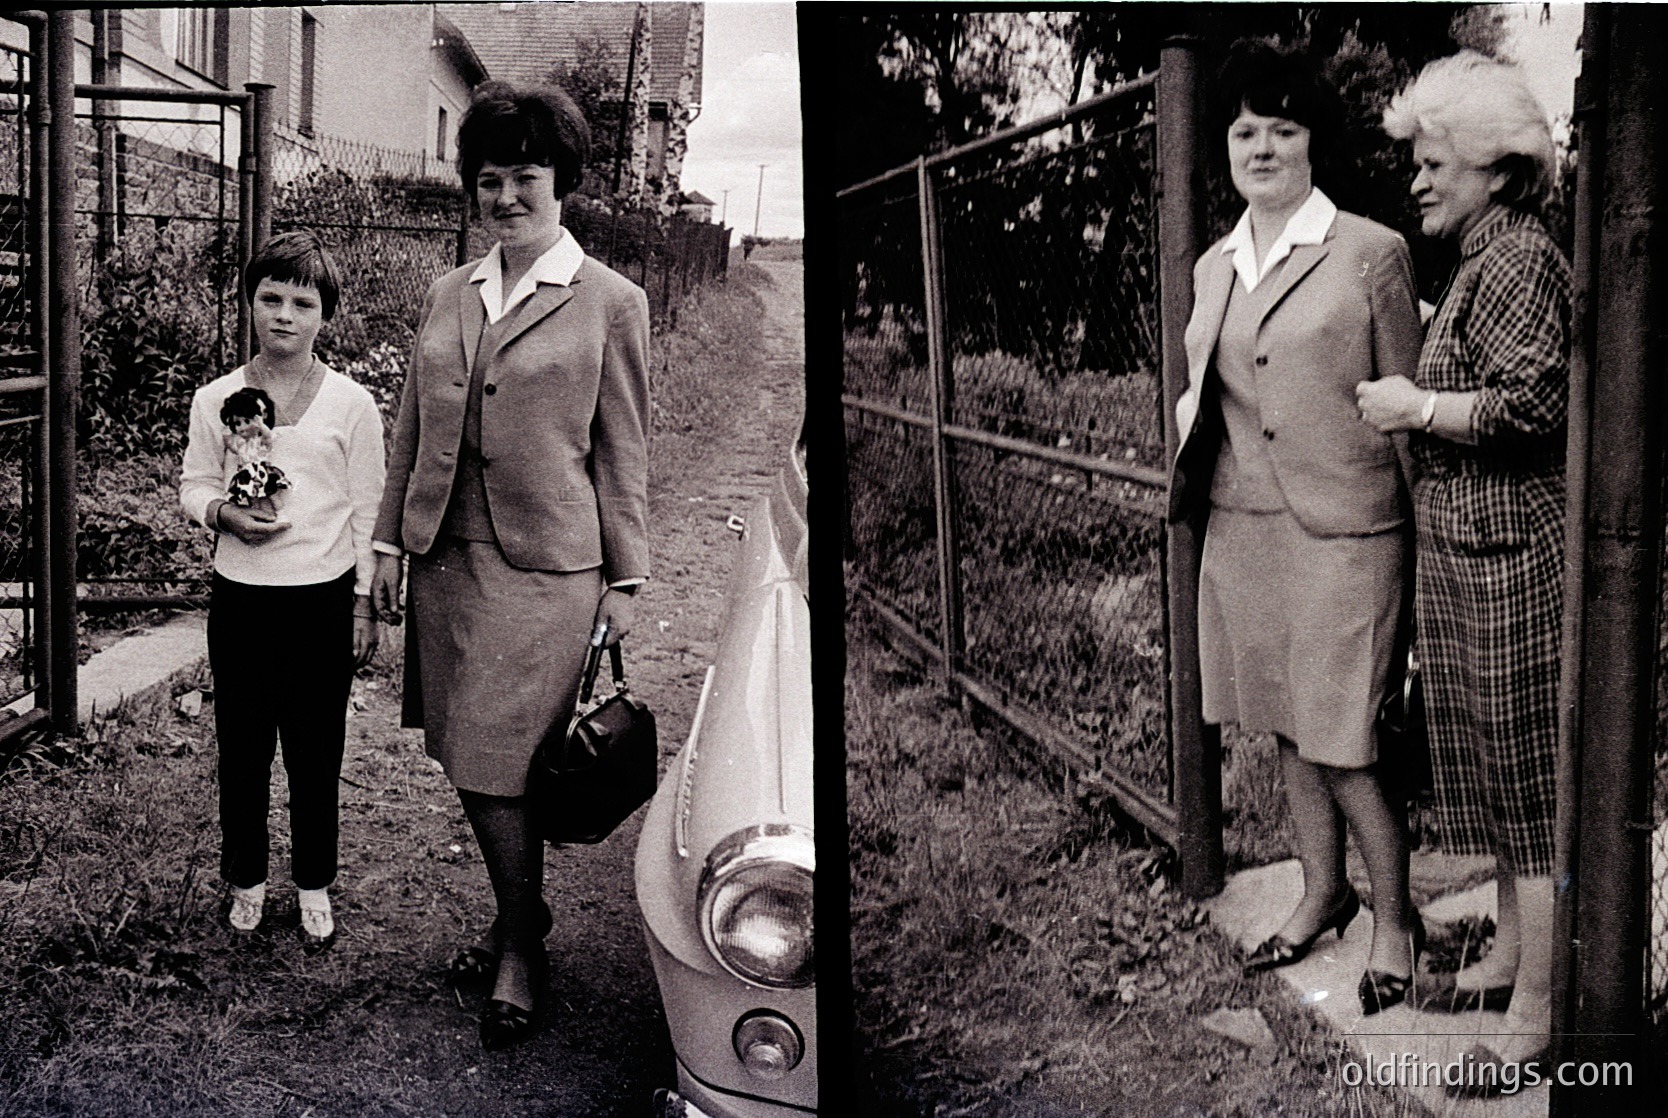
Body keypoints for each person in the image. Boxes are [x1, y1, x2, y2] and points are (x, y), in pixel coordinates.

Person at [368, 81, 650, 1051]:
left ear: (560, 180)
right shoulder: (450, 290)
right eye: (489, 178)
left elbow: (624, 447)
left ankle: (521, 941)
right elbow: (410, 421)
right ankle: (514, 915)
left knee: (494, 763)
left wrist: (625, 575)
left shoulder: (612, 301)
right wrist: (385, 540)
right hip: (448, 559)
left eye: (525, 174)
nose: (506, 195)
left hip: (549, 571)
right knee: (472, 755)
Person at [1168, 43, 1424, 1014]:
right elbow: (1210, 392)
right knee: (1282, 721)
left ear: (1315, 141)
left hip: (1351, 531)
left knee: (1345, 736)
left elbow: (1405, 405)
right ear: (1224, 147)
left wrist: (1427, 547)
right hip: (1244, 530)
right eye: (1244, 130)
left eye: (1283, 127)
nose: (1262, 146)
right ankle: (1323, 892)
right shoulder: (1213, 264)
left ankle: (1396, 921)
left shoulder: (1372, 251)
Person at [1359, 51, 1567, 1084]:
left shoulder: (1519, 257)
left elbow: (1534, 405)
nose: (1418, 179)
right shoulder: (1485, 255)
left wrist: (1415, 406)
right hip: (1478, 562)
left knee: (1528, 784)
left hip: (1514, 561)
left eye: (1436, 161)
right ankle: (1513, 952)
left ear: (1493, 164)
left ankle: (1538, 1011)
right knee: (1497, 772)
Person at [180, 230, 385, 950]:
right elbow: (195, 484)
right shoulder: (217, 400)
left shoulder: (352, 406)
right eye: (271, 298)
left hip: (320, 603)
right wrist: (222, 513)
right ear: (249, 303)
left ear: (325, 315)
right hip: (241, 598)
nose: (284, 316)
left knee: (314, 749)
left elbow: (367, 510)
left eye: (303, 302)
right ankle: (246, 882)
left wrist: (363, 602)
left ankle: (314, 885)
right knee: (240, 746)